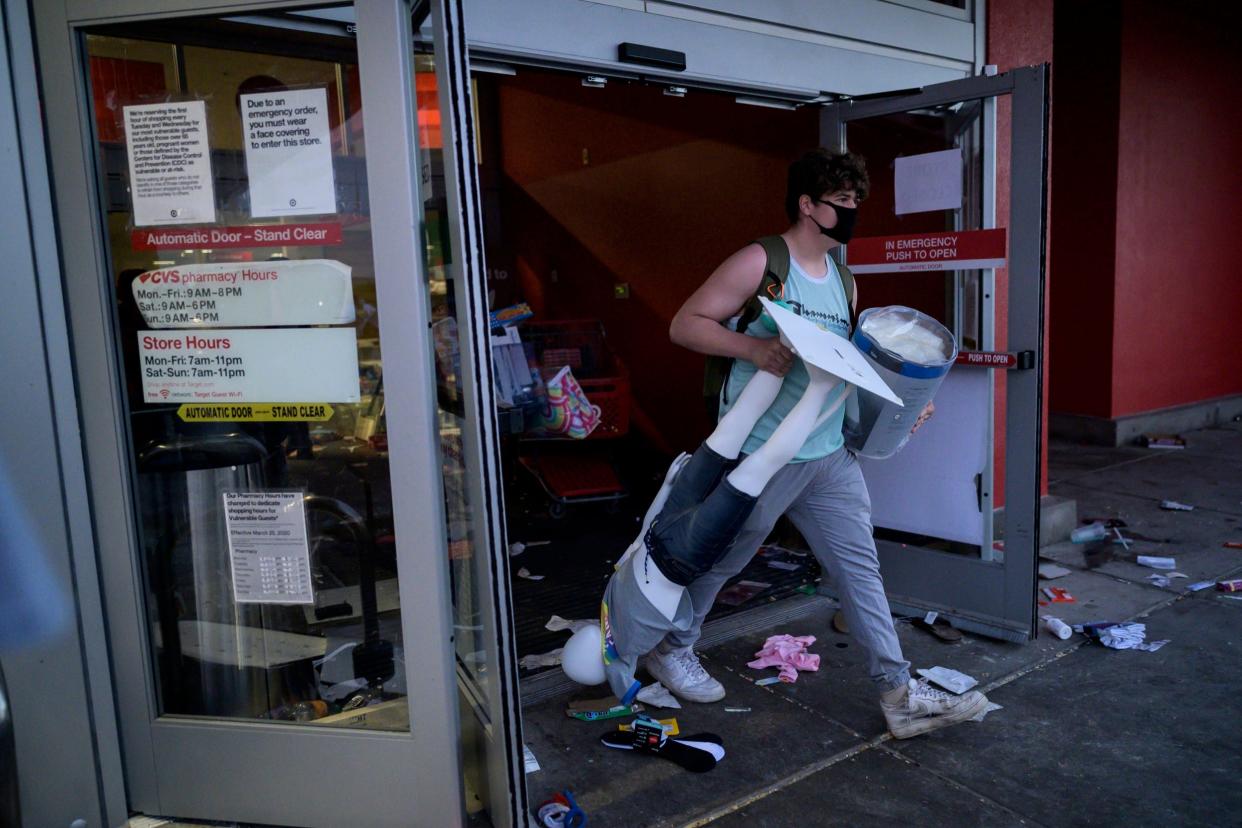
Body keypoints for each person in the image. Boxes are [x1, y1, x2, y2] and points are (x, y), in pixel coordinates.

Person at [650, 148, 988, 739]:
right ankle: (670, 646)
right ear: (808, 205)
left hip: (828, 452)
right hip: (764, 453)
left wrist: (904, 407)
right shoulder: (761, 261)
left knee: (860, 570)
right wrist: (753, 349)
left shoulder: (844, 278)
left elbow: (848, 364)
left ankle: (898, 691)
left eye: (857, 202)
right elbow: (686, 323)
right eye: (841, 203)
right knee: (722, 555)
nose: (851, 213)